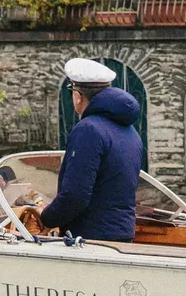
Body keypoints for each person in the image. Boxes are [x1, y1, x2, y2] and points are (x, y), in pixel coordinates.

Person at [38, 57, 144, 242]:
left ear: (78, 96)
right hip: (122, 234)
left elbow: (75, 195)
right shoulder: (130, 131)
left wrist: (46, 218)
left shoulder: (88, 130)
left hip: (91, 239)